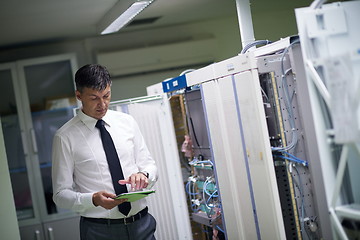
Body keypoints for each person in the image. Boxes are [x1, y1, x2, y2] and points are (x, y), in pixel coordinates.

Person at [52, 64, 158, 240]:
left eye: (106, 96)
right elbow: (60, 194)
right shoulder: (64, 137)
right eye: (94, 98)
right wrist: (93, 199)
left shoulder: (127, 122)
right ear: (79, 96)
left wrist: (143, 174)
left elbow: (149, 164)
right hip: (100, 231)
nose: (102, 104)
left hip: (142, 225)